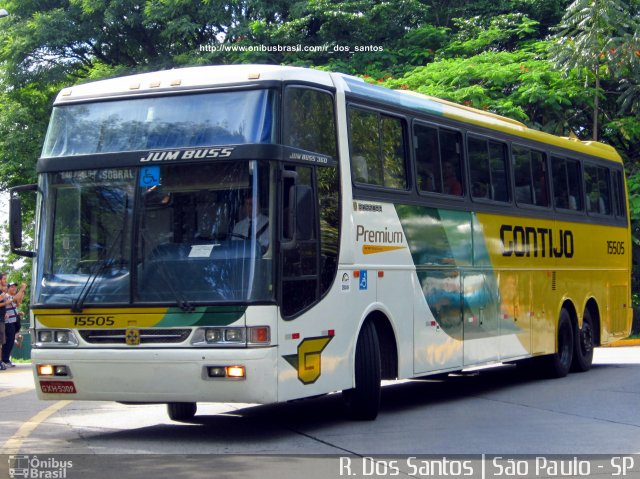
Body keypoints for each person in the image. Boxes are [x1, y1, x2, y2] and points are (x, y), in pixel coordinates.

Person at [2, 282, 26, 368]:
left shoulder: (11, 297)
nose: (14, 288)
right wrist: (22, 289)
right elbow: (16, 298)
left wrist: (17, 313)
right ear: (7, 288)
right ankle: (5, 360)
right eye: (12, 287)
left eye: (15, 287)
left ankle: (6, 359)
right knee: (8, 341)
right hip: (8, 322)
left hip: (13, 320)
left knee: (11, 341)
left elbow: (18, 302)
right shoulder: (6, 296)